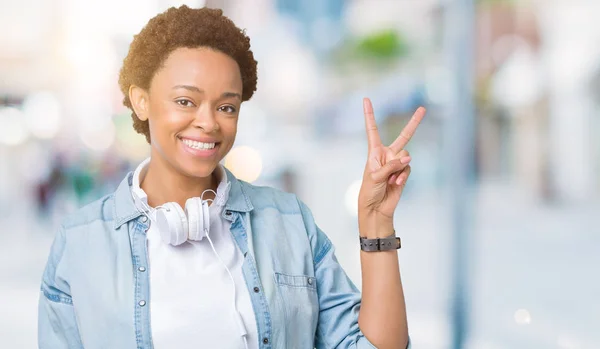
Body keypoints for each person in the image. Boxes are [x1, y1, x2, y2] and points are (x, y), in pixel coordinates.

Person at [38, 6, 424, 349]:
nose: (208, 123)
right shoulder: (79, 244)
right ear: (141, 100)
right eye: (185, 101)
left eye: (226, 106)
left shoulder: (289, 223)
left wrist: (376, 222)